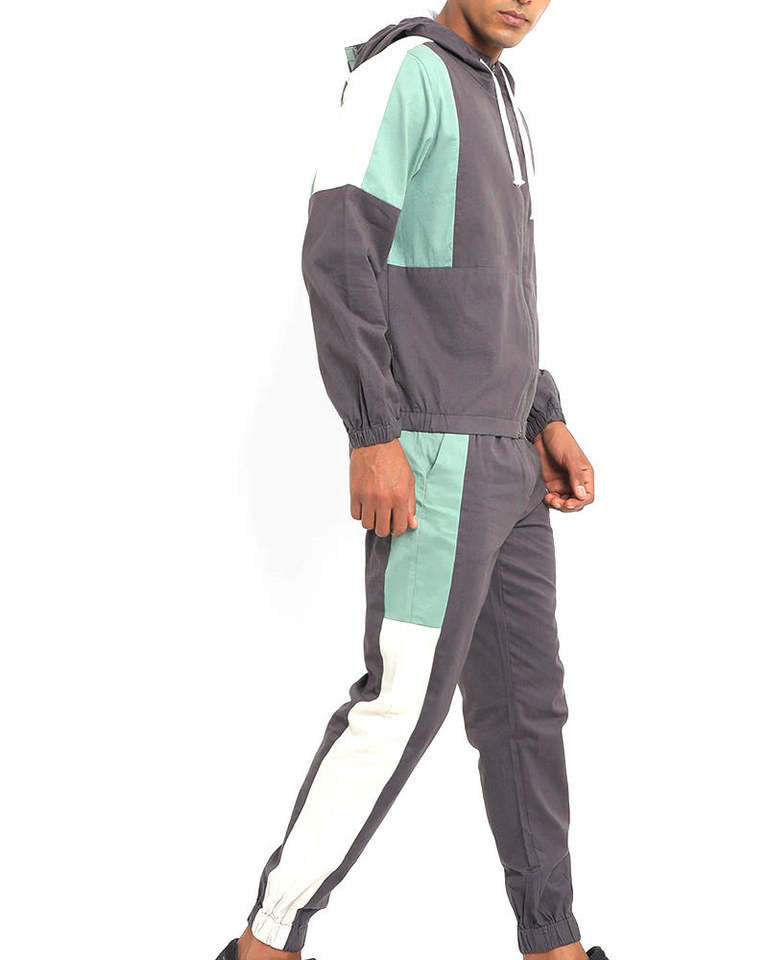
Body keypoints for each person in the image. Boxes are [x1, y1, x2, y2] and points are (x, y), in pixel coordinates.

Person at [217, 4, 608, 959]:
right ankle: (266, 945)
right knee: (398, 710)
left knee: (528, 713)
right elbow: (339, 244)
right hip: (435, 455)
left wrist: (543, 415)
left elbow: (494, 288)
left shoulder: (498, 92)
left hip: (509, 459)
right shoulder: (405, 75)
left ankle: (552, 943)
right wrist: (372, 432)